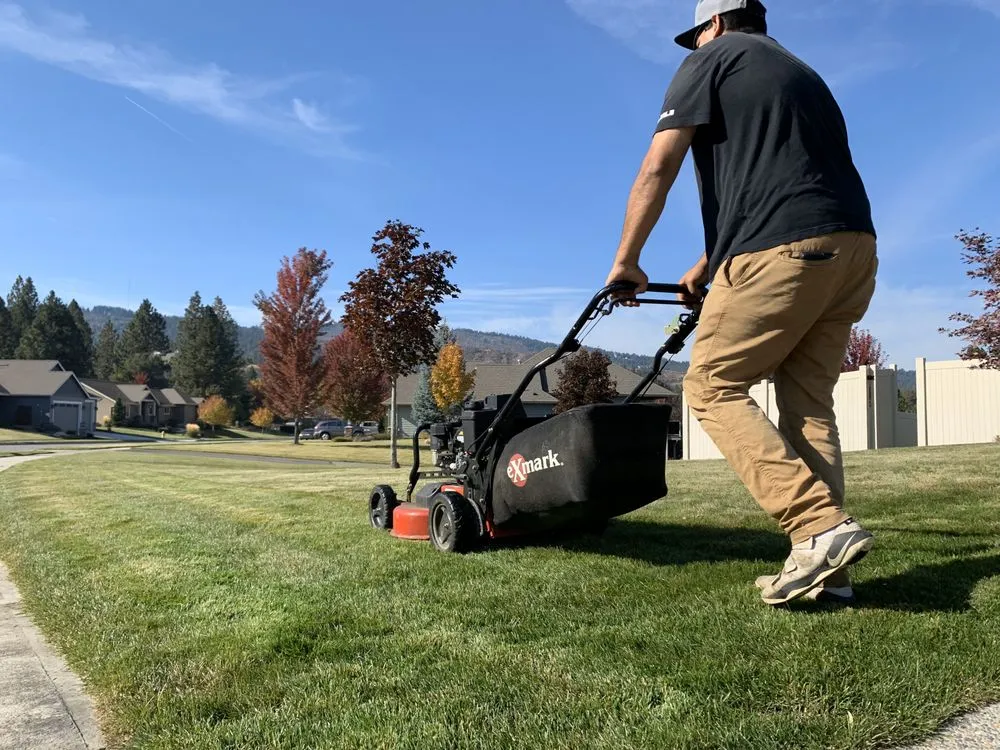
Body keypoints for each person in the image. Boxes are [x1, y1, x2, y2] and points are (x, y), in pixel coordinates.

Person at [604, 0, 879, 606]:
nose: (693, 46)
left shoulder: (715, 59)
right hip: (851, 247)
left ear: (718, 23)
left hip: (783, 249)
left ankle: (818, 526)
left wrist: (626, 260)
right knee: (807, 404)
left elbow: (659, 164)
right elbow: (783, 179)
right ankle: (830, 576)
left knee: (710, 385)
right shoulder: (802, 74)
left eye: (695, 35)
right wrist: (708, 265)